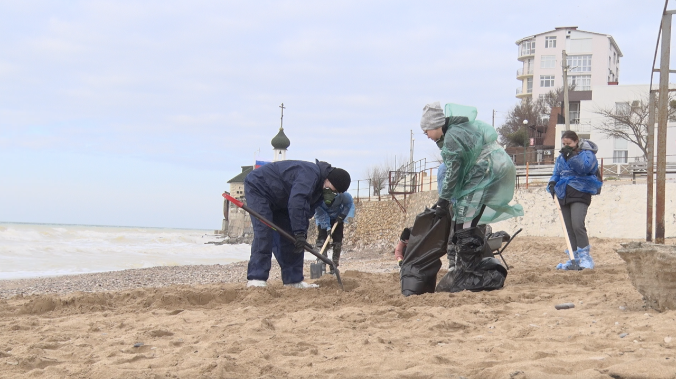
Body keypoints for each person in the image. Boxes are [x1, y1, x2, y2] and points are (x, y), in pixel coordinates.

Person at [420, 102, 523, 271]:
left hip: (483, 178)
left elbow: (454, 171)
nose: (427, 135)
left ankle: (468, 270)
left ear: (435, 125)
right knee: (464, 225)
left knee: (464, 228)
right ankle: (466, 267)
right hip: (482, 177)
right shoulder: (453, 132)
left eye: (427, 131)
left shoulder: (452, 137)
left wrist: (443, 200)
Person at [244, 159, 351, 288]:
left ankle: (293, 280)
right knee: (264, 231)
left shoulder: (321, 190)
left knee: (294, 240)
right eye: (334, 190)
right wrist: (299, 231)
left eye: (336, 193)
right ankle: (256, 278)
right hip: (260, 188)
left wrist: (300, 235)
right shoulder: (310, 174)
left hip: (282, 199)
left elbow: (305, 212)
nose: (333, 194)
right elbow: (298, 201)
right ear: (328, 180)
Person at [547, 131, 602, 270]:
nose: (566, 146)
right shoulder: (561, 157)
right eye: (564, 144)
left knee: (577, 224)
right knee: (568, 228)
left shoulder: (587, 154)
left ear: (576, 141)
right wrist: (552, 183)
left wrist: (571, 156)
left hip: (581, 192)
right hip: (563, 193)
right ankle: (574, 258)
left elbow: (584, 168)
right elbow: (557, 173)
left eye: (569, 144)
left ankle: (585, 258)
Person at [314, 191, 355, 274]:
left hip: (337, 219)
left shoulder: (342, 195)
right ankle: (322, 267)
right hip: (322, 220)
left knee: (337, 243)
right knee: (322, 242)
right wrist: (328, 227)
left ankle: (334, 267)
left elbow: (348, 203)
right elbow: (320, 214)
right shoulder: (318, 198)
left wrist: (342, 215)